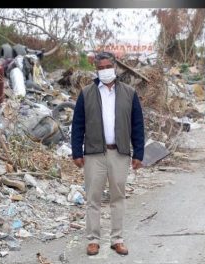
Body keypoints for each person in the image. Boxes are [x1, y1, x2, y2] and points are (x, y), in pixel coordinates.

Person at [71, 51, 145, 256]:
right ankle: (93, 240)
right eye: (100, 68)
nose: (104, 71)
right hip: (94, 154)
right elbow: (77, 125)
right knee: (93, 198)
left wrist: (139, 153)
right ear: (96, 69)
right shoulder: (86, 93)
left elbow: (137, 124)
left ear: (115, 67)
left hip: (119, 153)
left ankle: (117, 239)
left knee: (117, 197)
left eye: (107, 67)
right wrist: (76, 151)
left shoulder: (129, 93)